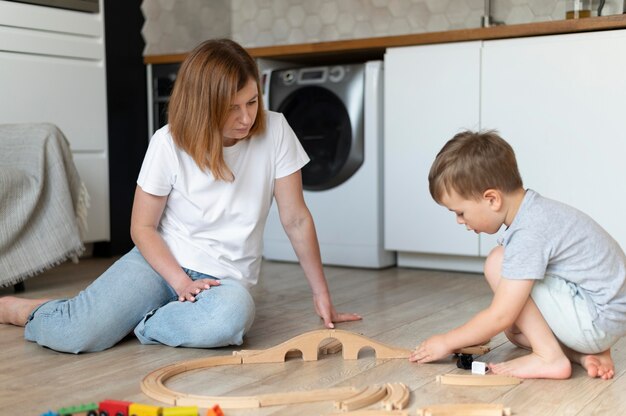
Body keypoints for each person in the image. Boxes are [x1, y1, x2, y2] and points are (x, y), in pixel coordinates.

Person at [0, 39, 361, 353]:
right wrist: (180, 283)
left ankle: (137, 322)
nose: (246, 117)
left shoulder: (277, 131)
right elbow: (142, 227)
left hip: (223, 281)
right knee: (75, 333)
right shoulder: (168, 142)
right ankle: (29, 311)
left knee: (229, 320)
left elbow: (296, 219)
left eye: (251, 102)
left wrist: (321, 294)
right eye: (231, 108)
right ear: (204, 105)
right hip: (159, 264)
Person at [409, 130, 626, 380]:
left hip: (597, 319)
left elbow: (500, 314)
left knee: (497, 263)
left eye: (460, 212)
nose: (460, 221)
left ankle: (549, 358)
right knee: (516, 332)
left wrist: (446, 341)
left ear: (492, 199)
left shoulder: (529, 232)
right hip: (604, 318)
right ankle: (582, 355)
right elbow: (508, 321)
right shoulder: (536, 212)